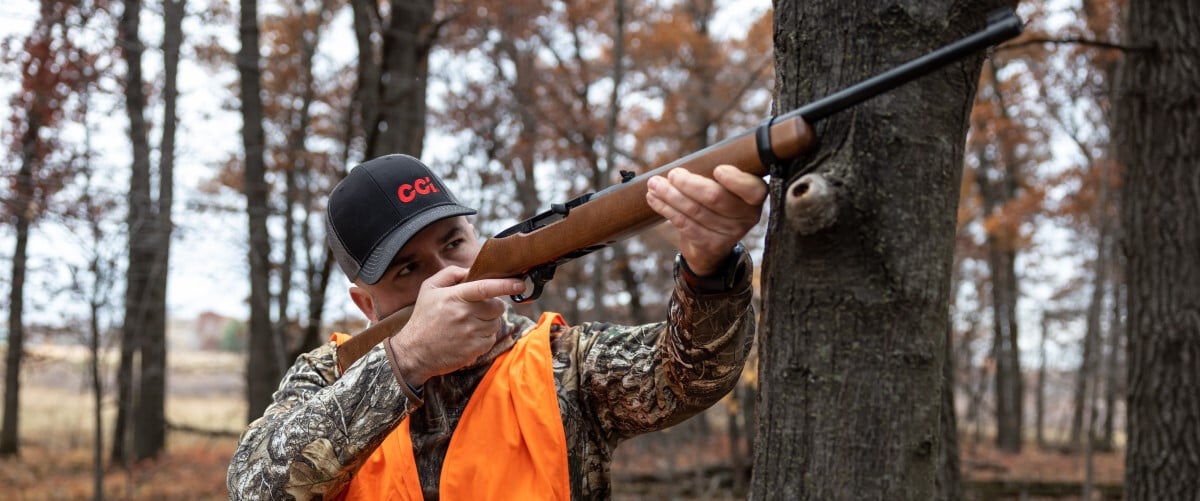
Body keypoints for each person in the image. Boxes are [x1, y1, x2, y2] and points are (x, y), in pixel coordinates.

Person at [227, 154, 767, 500]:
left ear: (481, 238)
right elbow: (255, 490)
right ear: (365, 304)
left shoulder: (559, 362)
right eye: (408, 270)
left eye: (454, 244)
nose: (449, 276)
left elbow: (688, 378)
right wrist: (406, 361)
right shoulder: (328, 377)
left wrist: (708, 269)